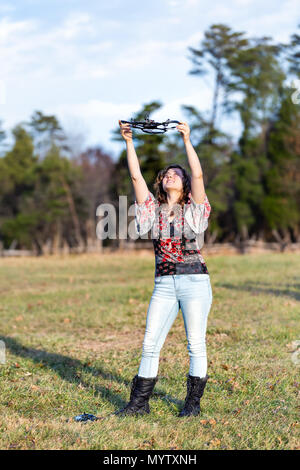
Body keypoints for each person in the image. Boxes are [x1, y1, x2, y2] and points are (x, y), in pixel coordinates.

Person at [115, 119, 213, 417]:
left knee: (195, 344)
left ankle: (192, 406)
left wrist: (186, 139)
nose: (171, 175)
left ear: (184, 184)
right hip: (164, 284)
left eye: (176, 174)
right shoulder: (151, 210)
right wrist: (129, 142)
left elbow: (197, 172)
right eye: (167, 174)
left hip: (195, 282)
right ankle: (138, 405)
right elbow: (135, 178)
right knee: (149, 343)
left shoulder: (195, 209)